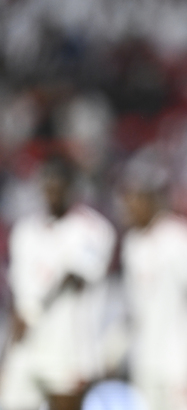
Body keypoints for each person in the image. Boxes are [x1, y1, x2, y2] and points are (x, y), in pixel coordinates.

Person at [0, 155, 116, 410]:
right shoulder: (25, 230)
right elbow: (18, 291)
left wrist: (33, 311)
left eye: (59, 180)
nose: (52, 186)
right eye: (47, 180)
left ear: (73, 185)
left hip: (68, 344)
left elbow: (73, 277)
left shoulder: (93, 229)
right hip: (27, 344)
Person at [120, 157, 187, 410]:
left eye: (135, 198)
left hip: (179, 355)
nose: (128, 205)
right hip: (145, 355)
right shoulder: (132, 243)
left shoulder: (181, 237)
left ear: (152, 199)